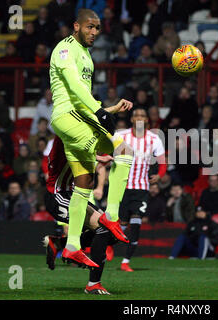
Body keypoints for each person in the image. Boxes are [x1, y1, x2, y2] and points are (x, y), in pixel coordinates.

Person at [49, 8, 135, 268]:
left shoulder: (86, 54)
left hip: (78, 118)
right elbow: (74, 86)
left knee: (84, 183)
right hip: (68, 116)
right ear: (76, 26)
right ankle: (112, 215)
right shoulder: (64, 50)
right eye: (89, 27)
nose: (94, 32)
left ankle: (72, 245)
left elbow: (82, 95)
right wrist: (99, 111)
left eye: (97, 28)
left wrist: (105, 109)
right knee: (125, 150)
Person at [42, 135, 117, 294]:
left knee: (111, 232)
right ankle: (93, 284)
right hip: (58, 196)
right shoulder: (64, 134)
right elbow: (75, 151)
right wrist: (98, 157)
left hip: (72, 195)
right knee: (103, 228)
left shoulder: (77, 133)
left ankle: (59, 244)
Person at [117, 107, 166, 272]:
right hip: (122, 187)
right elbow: (104, 150)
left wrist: (160, 175)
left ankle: (125, 261)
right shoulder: (121, 136)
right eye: (136, 115)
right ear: (131, 119)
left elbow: (162, 161)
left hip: (141, 188)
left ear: (146, 120)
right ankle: (108, 246)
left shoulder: (154, 139)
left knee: (136, 223)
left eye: (142, 115)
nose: (139, 117)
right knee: (121, 225)